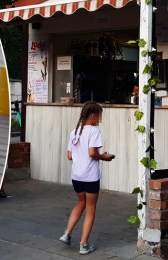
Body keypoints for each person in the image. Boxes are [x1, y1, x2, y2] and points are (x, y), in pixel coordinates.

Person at [59, 101, 115, 255]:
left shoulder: (74, 131)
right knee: (90, 209)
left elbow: (69, 156)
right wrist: (105, 157)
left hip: (76, 176)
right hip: (90, 176)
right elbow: (92, 153)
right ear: (92, 115)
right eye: (99, 116)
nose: (100, 119)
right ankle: (84, 245)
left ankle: (67, 233)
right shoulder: (94, 131)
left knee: (80, 202)